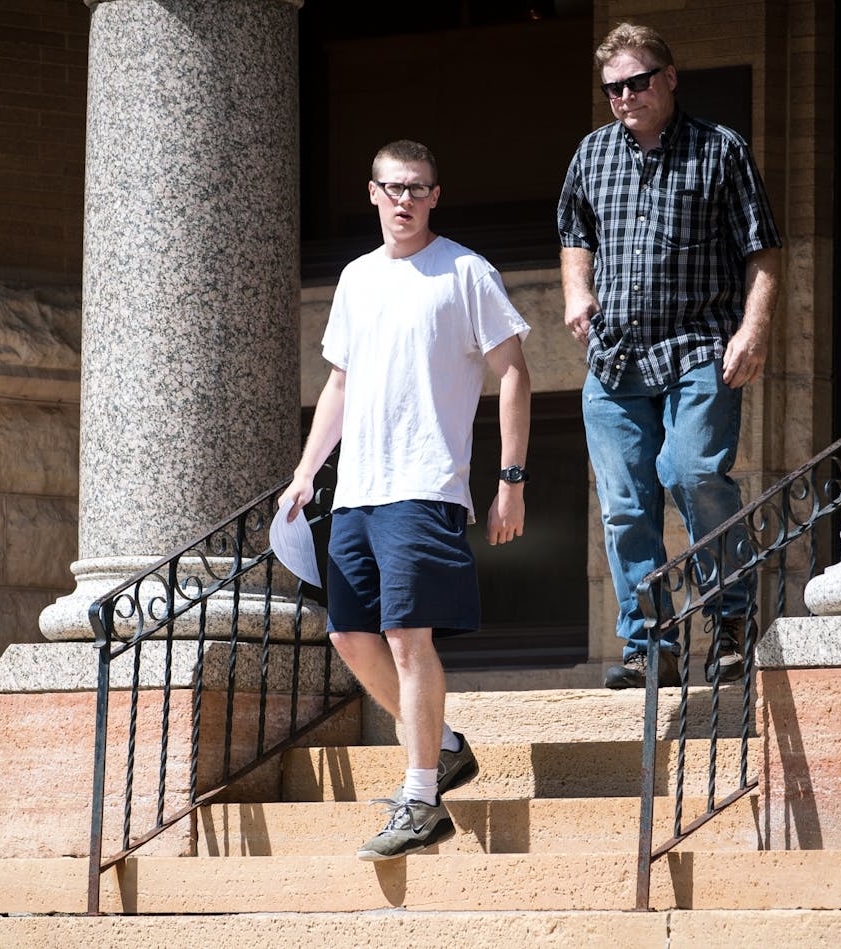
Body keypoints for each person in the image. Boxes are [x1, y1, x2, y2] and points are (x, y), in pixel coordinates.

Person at [281, 140, 531, 860]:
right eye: (392, 188)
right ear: (372, 193)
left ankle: (421, 798)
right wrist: (306, 472)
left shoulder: (464, 271)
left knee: (405, 637)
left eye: (416, 189)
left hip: (425, 487)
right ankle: (445, 746)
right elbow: (339, 383)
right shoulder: (356, 278)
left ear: (434, 195)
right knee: (348, 636)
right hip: (357, 490)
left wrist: (510, 480)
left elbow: (512, 371)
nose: (404, 200)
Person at [556, 22, 781, 690]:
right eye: (612, 89)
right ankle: (651, 643)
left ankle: (732, 621)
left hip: (700, 346)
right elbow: (573, 231)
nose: (624, 97)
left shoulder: (721, 149)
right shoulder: (592, 154)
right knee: (626, 505)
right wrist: (576, 292)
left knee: (691, 473)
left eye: (636, 82)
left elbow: (762, 247)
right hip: (615, 359)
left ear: (670, 78)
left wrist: (755, 329)